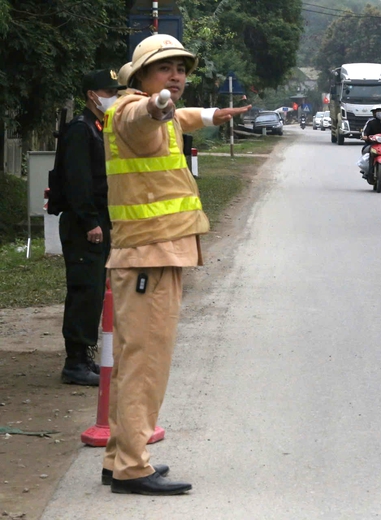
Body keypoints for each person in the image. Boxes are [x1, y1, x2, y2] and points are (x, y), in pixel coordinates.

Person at [100, 33, 250, 496]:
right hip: (149, 254)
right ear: (141, 76)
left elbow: (174, 119)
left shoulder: (153, 111)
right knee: (146, 363)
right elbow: (149, 117)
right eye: (166, 68)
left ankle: (119, 458)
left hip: (152, 253)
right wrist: (158, 106)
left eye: (182, 68)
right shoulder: (133, 111)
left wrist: (208, 115)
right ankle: (132, 466)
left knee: (131, 362)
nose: (177, 75)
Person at [59, 69, 124, 386]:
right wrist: (90, 222)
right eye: (108, 90)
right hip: (85, 224)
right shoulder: (80, 130)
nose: (113, 96)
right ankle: (74, 363)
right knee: (85, 290)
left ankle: (85, 356)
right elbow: (78, 182)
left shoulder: (99, 127)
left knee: (95, 290)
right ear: (91, 95)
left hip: (98, 221)